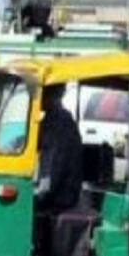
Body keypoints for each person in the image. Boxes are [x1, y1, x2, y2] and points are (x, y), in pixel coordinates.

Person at [35, 84, 83, 212]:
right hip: (56, 191)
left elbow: (55, 167)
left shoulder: (60, 122)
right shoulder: (50, 119)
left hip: (62, 195)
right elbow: (32, 139)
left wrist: (40, 195)